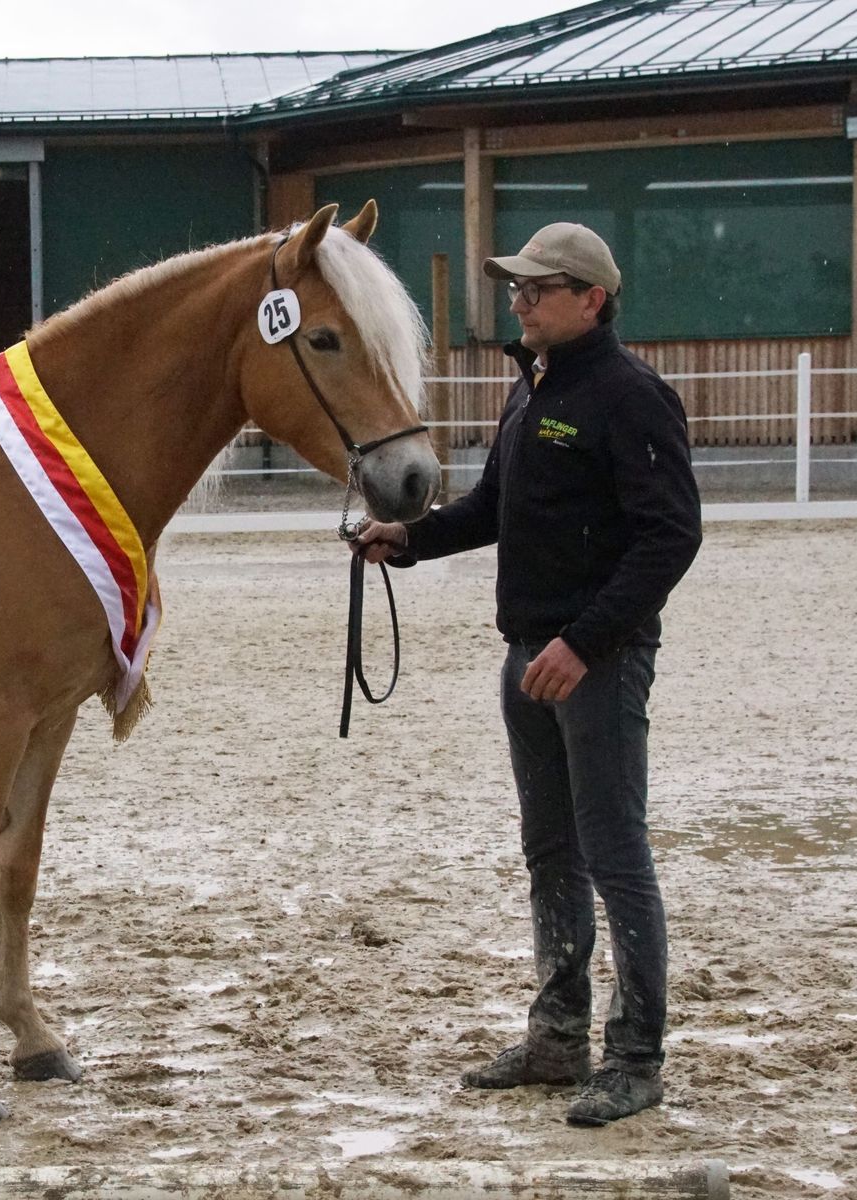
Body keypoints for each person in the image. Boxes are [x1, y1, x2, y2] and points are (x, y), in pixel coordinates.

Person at [354, 223, 701, 1126]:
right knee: (551, 851)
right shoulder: (533, 390)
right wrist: (411, 541)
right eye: (518, 287)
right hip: (531, 658)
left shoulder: (631, 397)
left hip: (595, 663)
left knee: (616, 854)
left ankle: (635, 1057)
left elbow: (671, 536)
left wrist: (584, 643)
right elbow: (495, 508)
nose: (520, 300)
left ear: (591, 300)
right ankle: (558, 1035)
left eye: (539, 288)